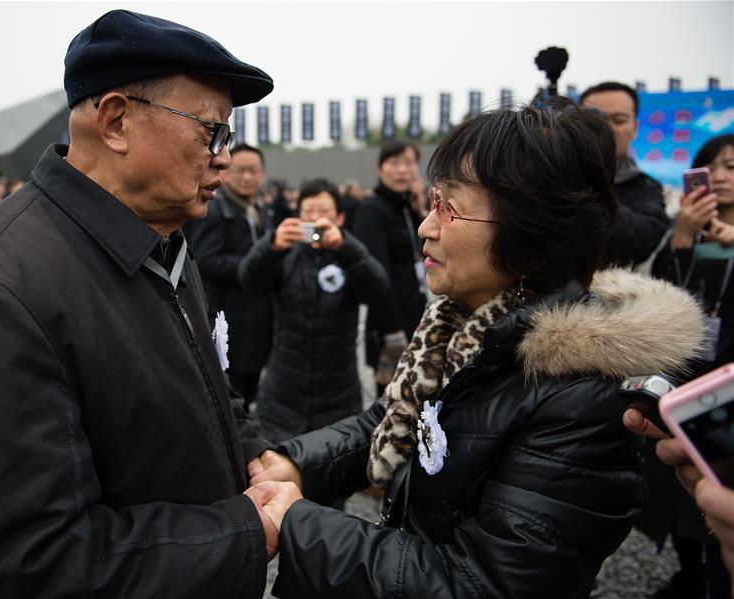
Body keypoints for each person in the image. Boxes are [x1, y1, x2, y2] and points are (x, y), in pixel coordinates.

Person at [247, 98, 707, 598]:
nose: (427, 226)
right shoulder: (462, 328)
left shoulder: (581, 396)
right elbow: (393, 419)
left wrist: (296, 524)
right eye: (431, 202)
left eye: (450, 207)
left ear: (530, 229)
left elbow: (486, 585)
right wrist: (292, 463)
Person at [0, 10, 280, 597]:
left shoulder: (161, 238)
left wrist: (254, 453)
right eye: (212, 131)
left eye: (226, 136)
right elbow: (23, 564)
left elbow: (197, 382)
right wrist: (240, 531)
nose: (225, 157)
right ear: (116, 121)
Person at [637, 134, 734, 599]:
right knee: (676, 486)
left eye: (731, 167)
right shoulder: (686, 230)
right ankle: (690, 572)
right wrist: (682, 238)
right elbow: (659, 301)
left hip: (727, 385)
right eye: (709, 168)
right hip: (685, 376)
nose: (719, 177)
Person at [238, 178, 388, 444]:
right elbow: (249, 281)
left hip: (338, 394)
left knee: (330, 472)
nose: (316, 219)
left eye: (324, 212)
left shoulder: (349, 254)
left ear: (340, 217)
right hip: (282, 392)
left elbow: (378, 289)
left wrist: (346, 247)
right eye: (308, 212)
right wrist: (270, 246)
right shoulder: (285, 253)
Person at [186, 144, 273, 410]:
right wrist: (255, 264)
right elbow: (204, 259)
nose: (247, 177)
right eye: (240, 170)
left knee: (252, 390)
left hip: (258, 317)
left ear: (263, 174)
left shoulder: (260, 209)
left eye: (253, 170)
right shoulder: (215, 210)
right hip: (230, 318)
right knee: (232, 395)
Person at [623, 408, 734, 594]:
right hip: (677, 435)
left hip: (719, 446)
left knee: (718, 532)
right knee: (679, 520)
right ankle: (691, 577)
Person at [353, 140, 427, 394]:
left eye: (408, 163)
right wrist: (392, 331)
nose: (402, 171)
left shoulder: (406, 206)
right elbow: (374, 276)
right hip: (390, 324)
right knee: (391, 401)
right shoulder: (371, 210)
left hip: (413, 313)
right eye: (394, 163)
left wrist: (421, 212)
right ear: (379, 169)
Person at [579, 81, 670, 266]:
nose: (607, 129)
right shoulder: (551, 175)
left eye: (619, 120)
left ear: (635, 128)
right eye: (596, 120)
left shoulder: (647, 188)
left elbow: (640, 245)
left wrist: (589, 184)